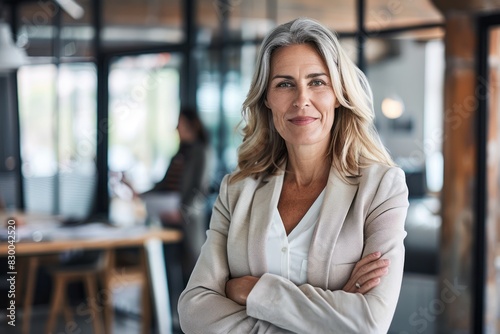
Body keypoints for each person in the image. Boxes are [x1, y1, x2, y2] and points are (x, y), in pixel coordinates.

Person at [178, 17, 409, 334]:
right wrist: (329, 316)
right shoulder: (236, 191)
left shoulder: (382, 188)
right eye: (285, 83)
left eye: (317, 82)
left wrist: (252, 291)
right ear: (267, 99)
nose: (302, 100)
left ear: (338, 94)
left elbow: (369, 324)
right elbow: (194, 313)